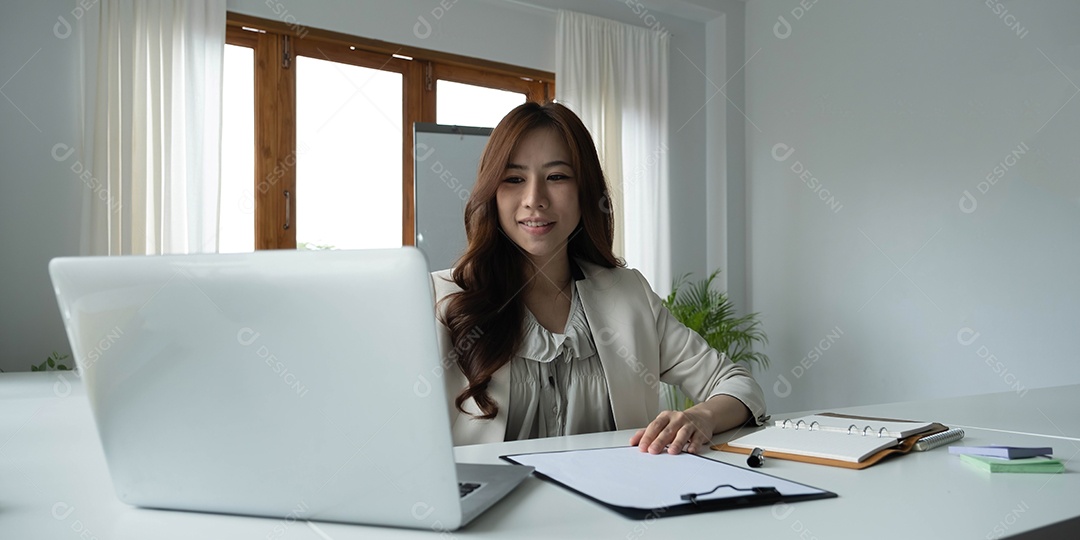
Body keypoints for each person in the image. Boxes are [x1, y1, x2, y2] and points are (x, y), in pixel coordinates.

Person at [431, 101, 766, 455]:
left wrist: (702, 417)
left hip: (619, 505)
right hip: (490, 509)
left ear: (585, 191)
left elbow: (738, 384)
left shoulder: (628, 293)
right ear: (492, 194)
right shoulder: (441, 298)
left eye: (557, 177)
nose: (534, 199)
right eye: (514, 179)